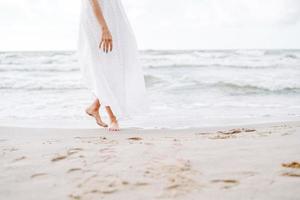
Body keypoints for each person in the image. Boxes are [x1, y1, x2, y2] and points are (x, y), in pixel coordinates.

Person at [78, 0, 148, 131]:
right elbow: (94, 3)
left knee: (120, 65)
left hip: (113, 20)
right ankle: (112, 118)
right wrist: (104, 29)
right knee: (105, 68)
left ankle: (95, 107)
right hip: (99, 23)